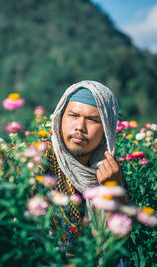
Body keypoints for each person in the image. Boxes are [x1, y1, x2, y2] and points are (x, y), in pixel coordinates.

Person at [44, 80, 125, 247]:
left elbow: (118, 243)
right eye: (73, 116)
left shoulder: (109, 171)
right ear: (60, 118)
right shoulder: (38, 161)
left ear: (106, 130)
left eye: (93, 120)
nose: (80, 127)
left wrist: (115, 191)